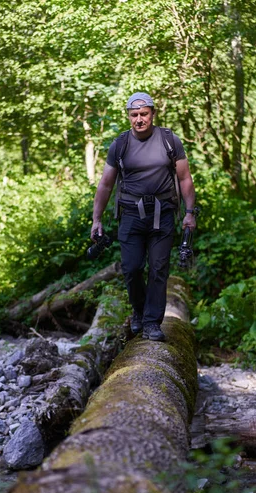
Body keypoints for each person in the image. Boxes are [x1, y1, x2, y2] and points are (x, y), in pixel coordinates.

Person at [90, 92, 196, 342]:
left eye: (144, 114)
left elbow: (184, 178)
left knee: (159, 268)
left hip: (163, 214)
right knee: (132, 268)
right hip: (130, 216)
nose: (139, 119)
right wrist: (97, 219)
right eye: (134, 115)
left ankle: (151, 323)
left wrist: (189, 213)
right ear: (128, 116)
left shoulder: (170, 141)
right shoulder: (120, 145)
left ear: (153, 114)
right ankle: (138, 312)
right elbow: (106, 184)